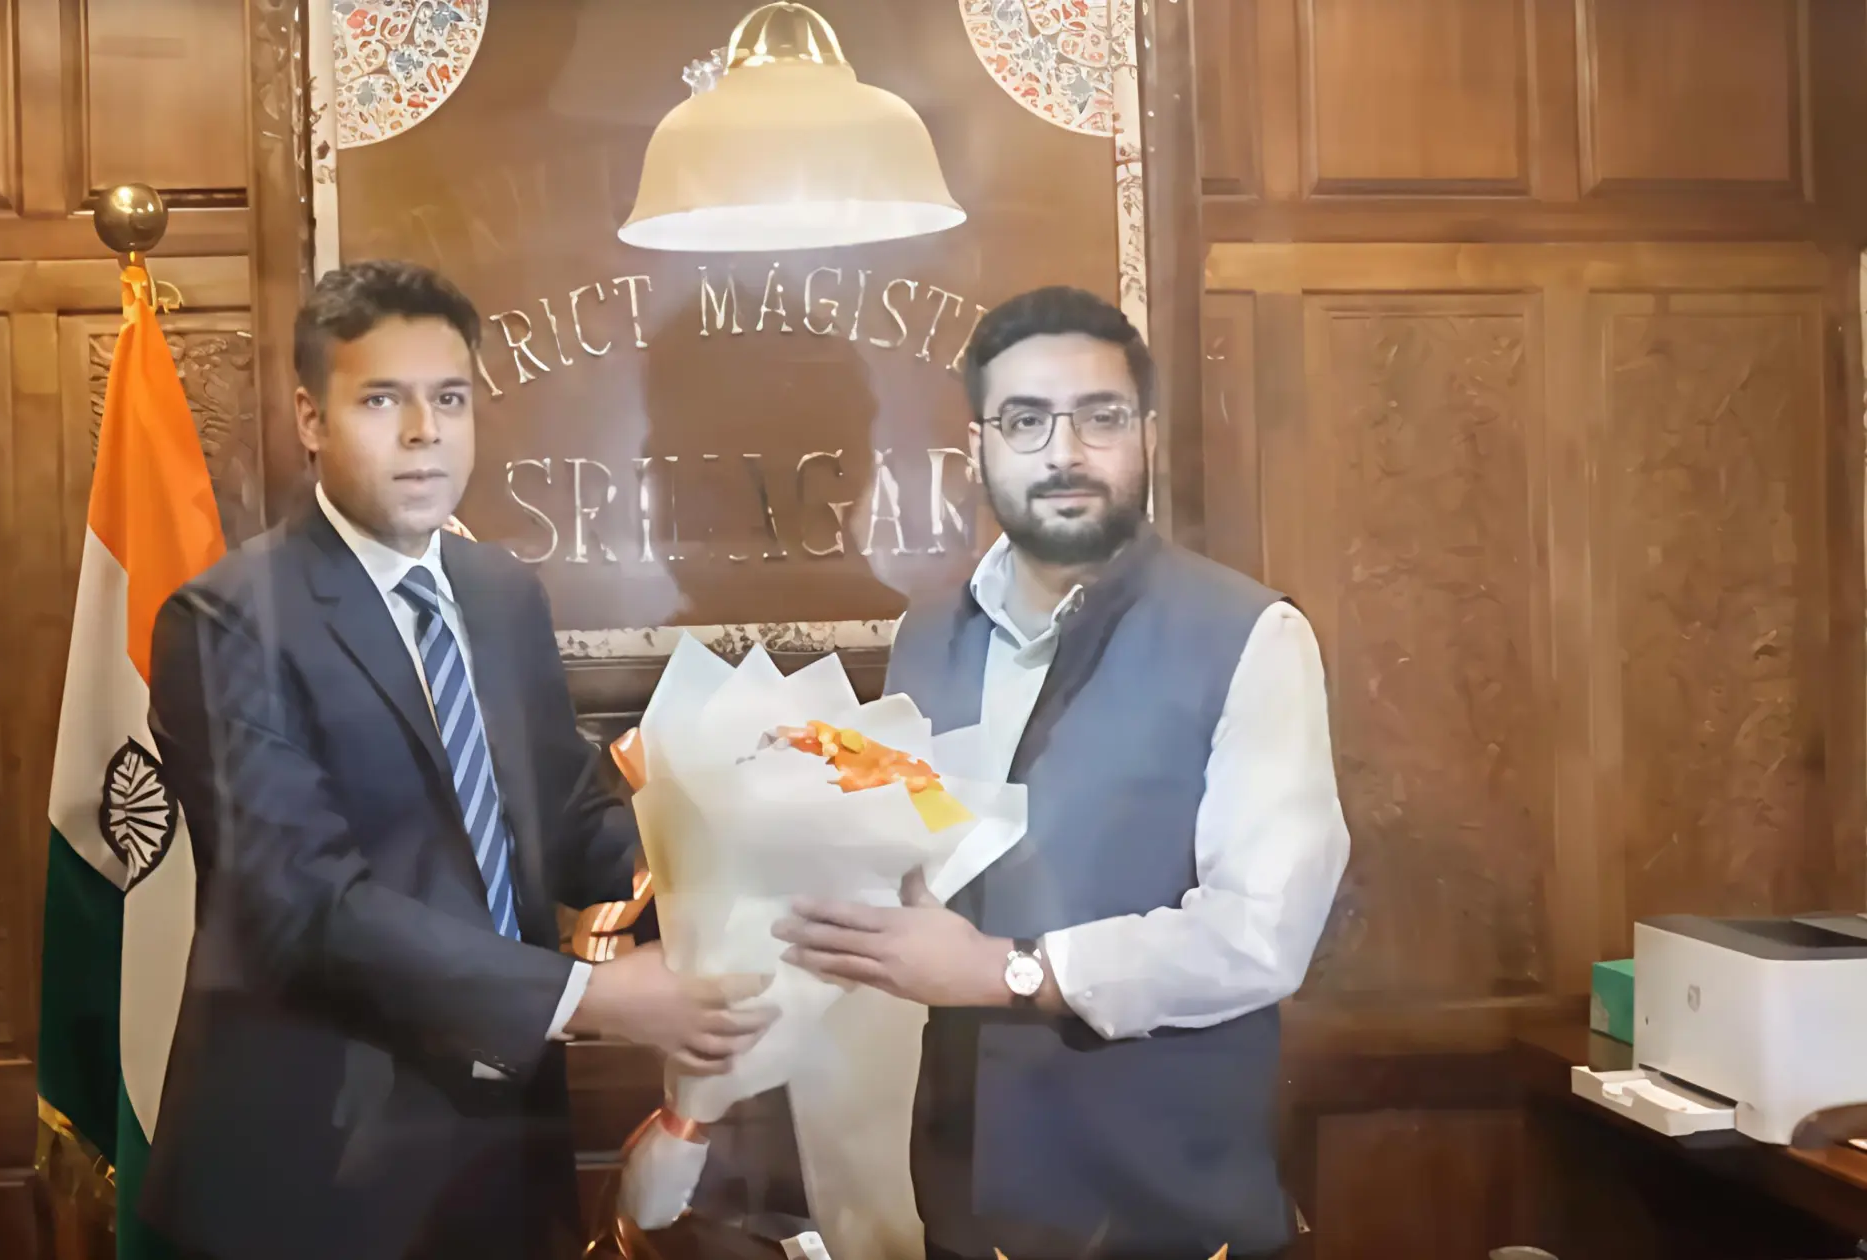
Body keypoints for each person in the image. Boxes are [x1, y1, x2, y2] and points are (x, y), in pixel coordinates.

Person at [139, 260, 775, 1260]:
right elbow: (305, 905)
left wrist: (745, 877)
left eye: (448, 399)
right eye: (380, 400)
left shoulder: (499, 594)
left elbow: (566, 818)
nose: (423, 432)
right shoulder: (227, 620)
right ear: (310, 418)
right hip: (315, 1169)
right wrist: (593, 997)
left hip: (503, 1154)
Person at [776, 286, 1350, 1260]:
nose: (1065, 452)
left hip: (1166, 1212)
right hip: (961, 1203)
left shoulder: (1251, 635)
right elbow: (921, 856)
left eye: (1100, 417)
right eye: (1026, 420)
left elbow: (1259, 934)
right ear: (979, 449)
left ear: (1147, 436)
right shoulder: (926, 637)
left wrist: (1009, 971)